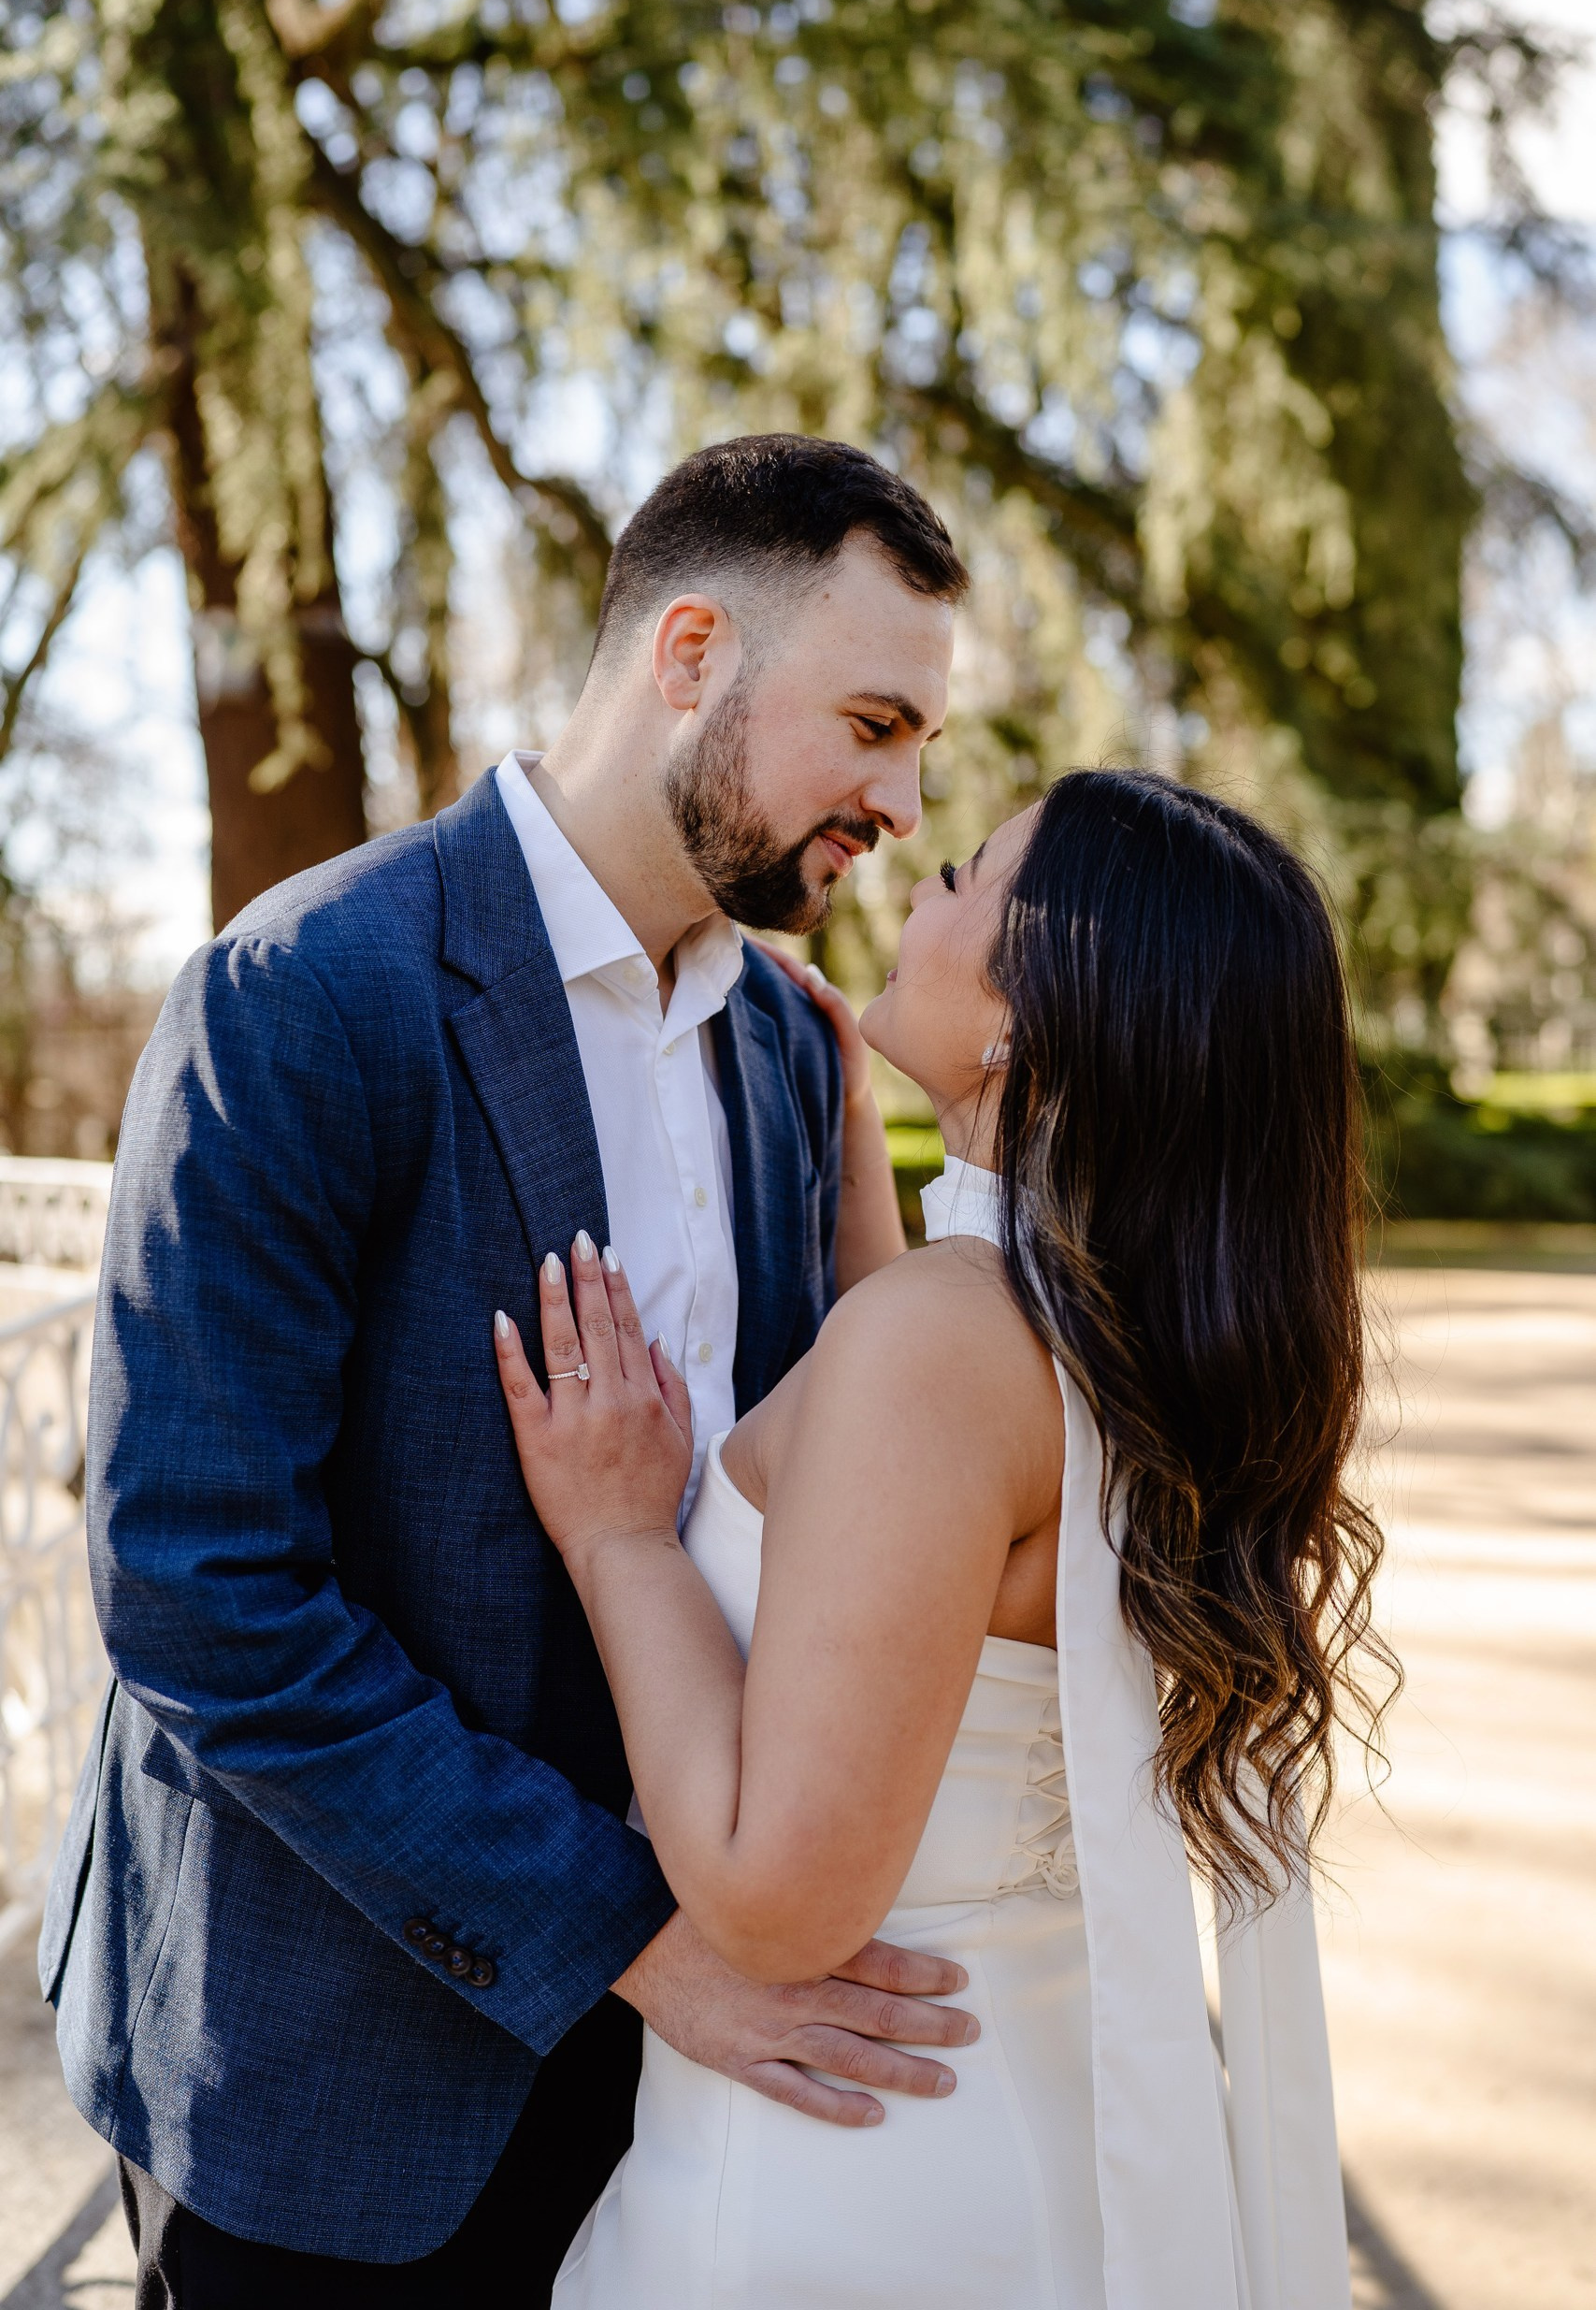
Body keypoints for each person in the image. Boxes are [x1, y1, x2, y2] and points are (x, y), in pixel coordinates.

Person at [40, 434, 983, 2308]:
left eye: (919, 751)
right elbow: (202, 1598)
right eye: (872, 726)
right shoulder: (299, 996)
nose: (896, 800)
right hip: (325, 2082)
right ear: (692, 654)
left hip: (677, 2103)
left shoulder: (791, 1058)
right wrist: (632, 1937)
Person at [494, 767, 1388, 2310]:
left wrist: (622, 1539)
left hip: (830, 2190)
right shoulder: (1129, 1329)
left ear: (1031, 1017)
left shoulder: (940, 1350)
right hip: (1021, 2140)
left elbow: (774, 1899)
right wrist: (861, 1130)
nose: (919, 880)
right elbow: (922, 1510)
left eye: (968, 874)